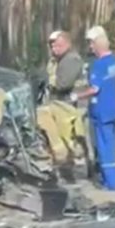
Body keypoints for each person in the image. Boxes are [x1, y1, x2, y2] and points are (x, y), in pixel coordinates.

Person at [74, 25, 115, 191]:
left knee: (104, 148)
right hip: (114, 109)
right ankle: (110, 180)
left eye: (91, 43)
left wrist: (76, 96)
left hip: (101, 112)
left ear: (97, 44)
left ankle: (111, 183)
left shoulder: (98, 65)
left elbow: (94, 89)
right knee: (112, 144)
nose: (90, 47)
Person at [36, 30, 88, 181]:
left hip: (72, 106)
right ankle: (65, 169)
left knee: (71, 141)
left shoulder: (71, 60)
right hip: (61, 105)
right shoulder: (56, 61)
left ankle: (73, 170)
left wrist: (46, 79)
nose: (54, 48)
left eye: (58, 45)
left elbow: (62, 84)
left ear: (67, 44)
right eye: (52, 46)